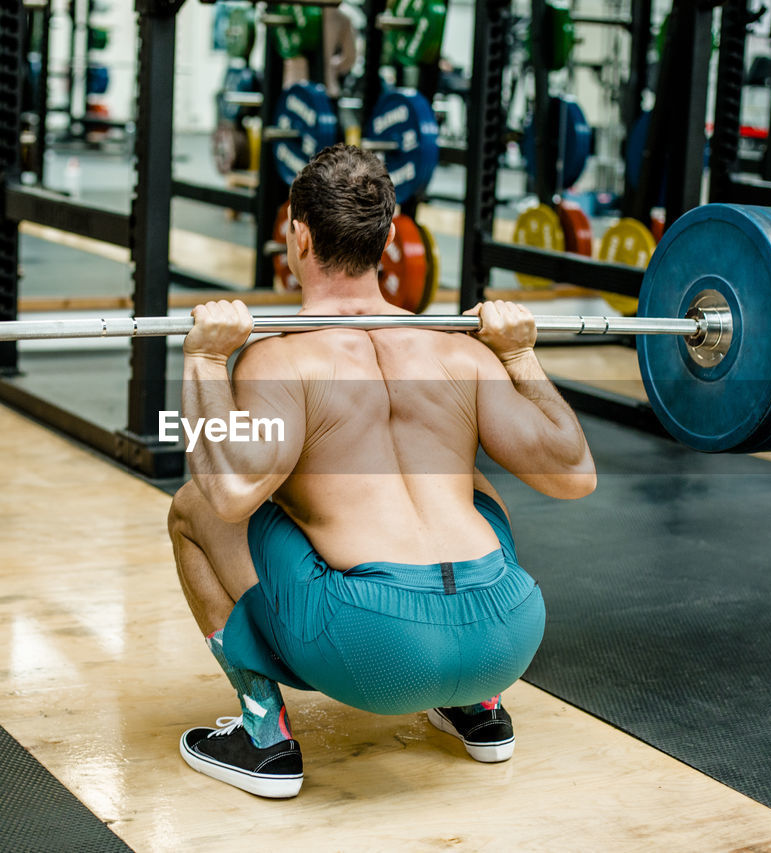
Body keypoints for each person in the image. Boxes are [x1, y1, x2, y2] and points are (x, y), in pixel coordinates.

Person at [168, 144, 596, 798]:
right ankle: (478, 703)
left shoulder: (282, 363)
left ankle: (263, 735)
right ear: (390, 237)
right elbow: (573, 472)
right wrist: (521, 356)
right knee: (462, 483)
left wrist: (203, 361)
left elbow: (227, 490)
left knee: (193, 509)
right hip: (510, 630)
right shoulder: (457, 352)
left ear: (298, 235)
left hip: (375, 648)